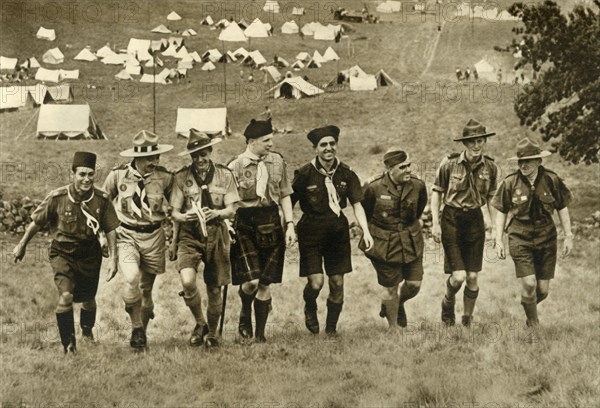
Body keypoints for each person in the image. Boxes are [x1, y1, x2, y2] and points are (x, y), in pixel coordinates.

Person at [13, 152, 120, 353]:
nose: (86, 179)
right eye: (81, 174)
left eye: (90, 174)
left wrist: (114, 260)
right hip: (63, 253)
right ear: (72, 174)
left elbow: (111, 229)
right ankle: (69, 345)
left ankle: (87, 332)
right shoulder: (58, 198)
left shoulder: (101, 199)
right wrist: (22, 245)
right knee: (66, 296)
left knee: (88, 299)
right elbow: (36, 223)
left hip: (90, 254)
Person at [292, 126, 374, 335]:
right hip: (310, 231)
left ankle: (331, 329)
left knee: (337, 282)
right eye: (323, 145)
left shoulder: (346, 173)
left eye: (332, 144)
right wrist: (288, 227)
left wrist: (365, 230)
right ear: (315, 148)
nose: (328, 148)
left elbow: (357, 204)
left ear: (336, 145)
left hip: (337, 231)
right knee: (316, 282)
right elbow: (287, 202)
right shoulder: (304, 174)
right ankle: (310, 305)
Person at [103, 130, 174, 349]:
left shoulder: (165, 178)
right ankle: (136, 326)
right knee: (131, 277)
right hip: (126, 234)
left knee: (145, 290)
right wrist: (103, 236)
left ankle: (140, 335)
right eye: (149, 158)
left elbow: (178, 206)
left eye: (157, 157)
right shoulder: (117, 176)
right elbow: (103, 206)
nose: (154, 161)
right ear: (137, 157)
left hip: (154, 236)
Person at [492, 138, 573, 327]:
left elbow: (562, 208)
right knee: (529, 284)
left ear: (539, 161)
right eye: (521, 161)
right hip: (520, 235)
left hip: (547, 235)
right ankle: (533, 323)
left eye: (528, 161)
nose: (524, 165)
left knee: (543, 290)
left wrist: (569, 236)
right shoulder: (510, 182)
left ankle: (527, 305)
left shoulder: (551, 179)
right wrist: (498, 240)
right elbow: (501, 211)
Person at [170, 130, 240, 347]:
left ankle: (211, 333)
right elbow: (174, 213)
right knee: (188, 281)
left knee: (214, 288)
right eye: (195, 156)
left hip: (217, 232)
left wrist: (216, 213)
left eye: (203, 154)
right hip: (189, 235)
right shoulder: (181, 177)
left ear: (210, 151)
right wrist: (184, 217)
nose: (199, 160)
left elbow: (232, 209)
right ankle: (200, 323)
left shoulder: (224, 175)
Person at [228, 119, 296, 342]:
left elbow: (285, 194)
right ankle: (245, 311)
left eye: (271, 139)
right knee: (251, 282)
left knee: (265, 282)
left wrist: (290, 225)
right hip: (245, 223)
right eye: (266, 140)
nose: (270, 144)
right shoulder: (234, 166)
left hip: (271, 221)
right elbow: (228, 203)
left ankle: (260, 336)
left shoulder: (277, 161)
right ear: (251, 141)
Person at [431, 119, 499, 327]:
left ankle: (467, 319)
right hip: (452, 219)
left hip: (474, 221)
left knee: (472, 277)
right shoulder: (449, 164)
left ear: (484, 141)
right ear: (465, 144)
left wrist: (495, 227)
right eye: (472, 142)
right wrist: (435, 222)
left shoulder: (491, 167)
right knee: (458, 276)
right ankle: (448, 301)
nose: (476, 146)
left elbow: (491, 198)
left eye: (480, 141)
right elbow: (437, 193)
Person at [361, 149, 427, 329]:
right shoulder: (373, 187)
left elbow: (419, 209)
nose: (408, 170)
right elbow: (364, 213)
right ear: (390, 169)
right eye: (402, 167)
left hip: (411, 240)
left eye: (409, 166)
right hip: (384, 243)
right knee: (390, 288)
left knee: (414, 284)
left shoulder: (418, 185)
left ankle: (397, 305)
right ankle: (393, 329)